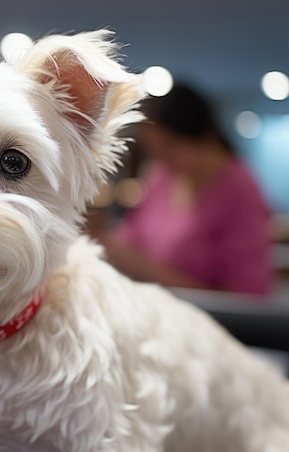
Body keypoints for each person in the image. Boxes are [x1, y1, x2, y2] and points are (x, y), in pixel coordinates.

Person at [101, 84, 274, 295]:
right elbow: (131, 238)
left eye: (170, 146)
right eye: (154, 150)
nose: (161, 158)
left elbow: (247, 294)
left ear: (204, 137)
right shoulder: (163, 178)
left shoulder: (239, 188)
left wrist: (146, 268)